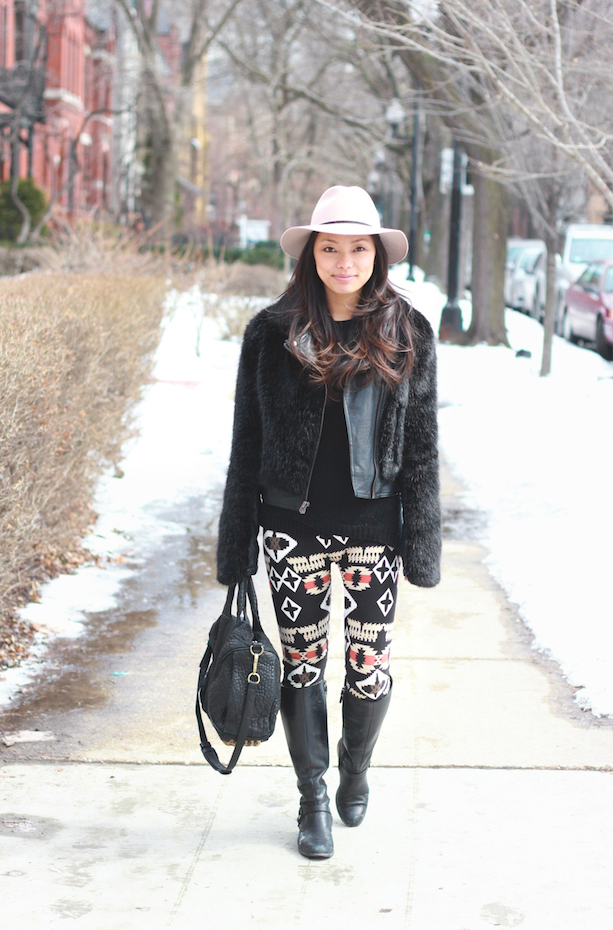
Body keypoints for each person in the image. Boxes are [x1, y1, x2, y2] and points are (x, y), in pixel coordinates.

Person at [216, 185, 441, 860]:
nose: (345, 261)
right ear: (311, 254)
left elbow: (424, 447)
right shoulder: (272, 332)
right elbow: (246, 443)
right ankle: (312, 796)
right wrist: (237, 544)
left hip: (376, 532)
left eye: (358, 248)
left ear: (378, 254)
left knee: (368, 669)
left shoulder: (408, 331)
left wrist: (423, 538)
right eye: (330, 248)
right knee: (303, 666)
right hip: (292, 531)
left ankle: (356, 766)